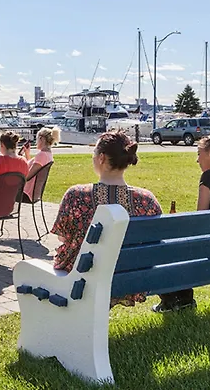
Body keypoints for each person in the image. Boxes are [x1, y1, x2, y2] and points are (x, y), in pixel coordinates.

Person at [51, 130, 162, 307]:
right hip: (129, 278)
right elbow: (154, 242)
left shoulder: (76, 195)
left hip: (83, 280)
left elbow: (62, 237)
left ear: (101, 158)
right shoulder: (147, 200)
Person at [151, 136, 210, 312]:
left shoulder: (208, 176)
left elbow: (200, 218)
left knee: (170, 249)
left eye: (199, 153)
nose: (197, 160)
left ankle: (175, 300)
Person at [19, 127, 60, 201]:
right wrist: (27, 154)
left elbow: (27, 177)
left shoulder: (41, 155)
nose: (36, 142)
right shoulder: (48, 154)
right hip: (35, 193)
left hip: (27, 193)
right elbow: (33, 169)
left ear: (42, 139)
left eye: (37, 139)